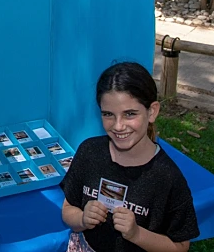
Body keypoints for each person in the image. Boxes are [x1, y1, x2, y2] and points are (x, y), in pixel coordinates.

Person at [60, 62, 199, 252]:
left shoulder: (168, 178)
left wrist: (137, 234)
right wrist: (82, 219)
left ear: (152, 112)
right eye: (108, 114)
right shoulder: (89, 153)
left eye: (130, 114)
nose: (118, 126)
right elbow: (68, 209)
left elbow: (180, 247)